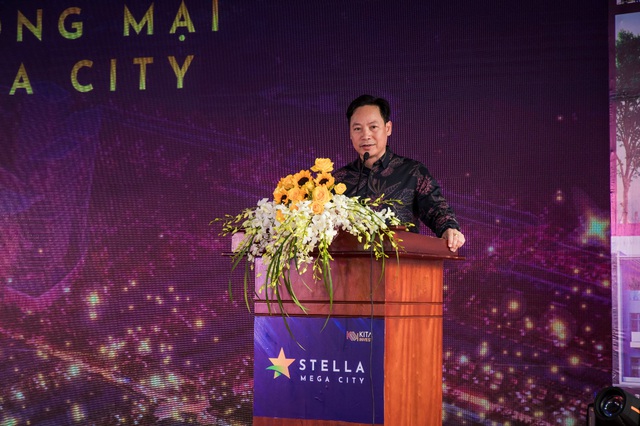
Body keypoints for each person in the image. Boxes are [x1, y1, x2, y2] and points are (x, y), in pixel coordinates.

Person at [333, 94, 466, 252]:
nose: (366, 135)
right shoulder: (337, 180)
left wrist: (449, 228)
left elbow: (437, 209)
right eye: (357, 129)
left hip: (403, 264)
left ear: (388, 128)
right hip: (348, 266)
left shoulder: (412, 172)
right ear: (350, 133)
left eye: (373, 127)